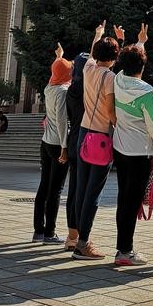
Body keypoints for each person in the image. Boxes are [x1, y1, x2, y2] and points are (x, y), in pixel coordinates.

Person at [72, 21, 119, 261]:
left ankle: (79, 237)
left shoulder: (88, 69)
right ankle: (83, 244)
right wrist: (119, 124)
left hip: (83, 133)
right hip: (100, 135)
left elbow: (92, 54)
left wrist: (98, 33)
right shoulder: (109, 77)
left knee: (81, 187)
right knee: (94, 191)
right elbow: (110, 111)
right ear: (113, 58)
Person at [112, 25, 153, 267]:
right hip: (140, 152)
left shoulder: (118, 80)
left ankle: (122, 247)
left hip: (120, 150)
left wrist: (140, 42)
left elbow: (128, 61)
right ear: (143, 66)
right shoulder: (147, 93)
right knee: (132, 201)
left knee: (124, 198)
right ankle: (124, 251)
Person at [33, 42, 73, 244]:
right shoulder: (62, 92)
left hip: (45, 142)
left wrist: (59, 56)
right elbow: (60, 120)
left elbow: (56, 72)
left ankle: (38, 230)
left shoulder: (49, 87)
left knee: (43, 186)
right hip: (58, 144)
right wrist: (65, 147)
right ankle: (50, 233)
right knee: (55, 189)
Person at [64, 51, 90, 252]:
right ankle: (82, 238)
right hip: (89, 143)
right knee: (86, 191)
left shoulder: (72, 90)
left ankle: (72, 236)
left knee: (73, 190)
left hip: (73, 143)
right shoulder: (90, 88)